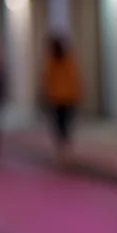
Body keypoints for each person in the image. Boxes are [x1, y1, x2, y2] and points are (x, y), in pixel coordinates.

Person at [40, 36, 81, 164]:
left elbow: (47, 79)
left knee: (61, 124)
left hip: (61, 98)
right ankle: (64, 148)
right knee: (63, 124)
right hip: (63, 98)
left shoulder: (55, 61)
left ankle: (63, 148)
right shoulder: (56, 61)